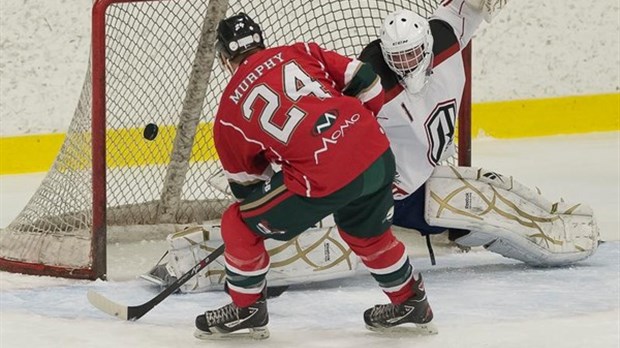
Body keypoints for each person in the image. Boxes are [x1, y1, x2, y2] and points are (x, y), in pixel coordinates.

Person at [143, 0, 598, 299]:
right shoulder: (381, 71)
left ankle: (548, 229)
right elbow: (337, 125)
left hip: (409, 182)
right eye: (393, 58)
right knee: (322, 242)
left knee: (484, 205)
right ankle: (208, 264)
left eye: (410, 55)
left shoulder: (443, 40)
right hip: (380, 182)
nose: (403, 64)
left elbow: (466, 8)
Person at [192, 12, 436, 340]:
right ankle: (410, 301)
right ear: (261, 41)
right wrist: (347, 134)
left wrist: (290, 171)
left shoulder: (227, 116)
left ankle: (246, 307)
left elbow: (247, 189)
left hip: (322, 176)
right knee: (366, 234)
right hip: (376, 152)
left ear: (224, 59)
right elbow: (369, 81)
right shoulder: (299, 50)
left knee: (237, 223)